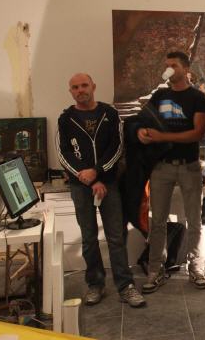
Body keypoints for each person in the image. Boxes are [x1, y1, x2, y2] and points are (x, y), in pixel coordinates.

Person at [57, 73, 146, 308]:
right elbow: (63, 154)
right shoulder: (65, 119)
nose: (80, 90)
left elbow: (117, 147)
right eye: (75, 87)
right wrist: (87, 179)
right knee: (88, 238)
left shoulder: (109, 114)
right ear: (71, 91)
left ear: (93, 86)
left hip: (109, 184)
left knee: (116, 237)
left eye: (84, 85)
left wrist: (97, 173)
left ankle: (125, 286)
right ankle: (95, 284)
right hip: (80, 186)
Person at [137, 51, 205, 293]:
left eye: (174, 65)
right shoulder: (160, 96)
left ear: (185, 69)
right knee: (157, 221)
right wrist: (141, 132)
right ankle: (155, 270)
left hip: (189, 166)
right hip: (161, 167)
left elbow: (197, 133)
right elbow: (142, 120)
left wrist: (162, 136)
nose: (169, 69)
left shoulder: (198, 97)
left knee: (194, 220)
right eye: (167, 65)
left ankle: (196, 268)